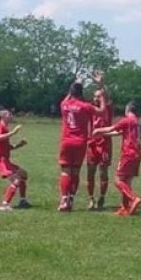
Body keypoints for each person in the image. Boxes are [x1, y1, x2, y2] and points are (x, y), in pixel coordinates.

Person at [58, 72, 107, 212]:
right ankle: (71, 198)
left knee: (65, 171)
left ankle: (64, 200)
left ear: (71, 92)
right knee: (75, 171)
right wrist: (102, 94)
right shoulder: (85, 106)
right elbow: (102, 111)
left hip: (66, 141)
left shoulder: (64, 104)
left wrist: (76, 82)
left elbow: (68, 96)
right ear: (81, 93)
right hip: (80, 142)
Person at [93, 101, 141, 216]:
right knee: (127, 182)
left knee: (118, 180)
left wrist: (97, 131)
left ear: (128, 109)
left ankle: (134, 198)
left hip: (128, 154)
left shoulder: (127, 120)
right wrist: (103, 135)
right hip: (137, 154)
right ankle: (125, 208)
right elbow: (119, 132)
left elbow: (111, 128)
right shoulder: (136, 122)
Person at [0, 110, 30, 211]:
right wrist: (13, 133)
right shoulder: (0, 126)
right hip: (0, 159)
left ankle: (22, 200)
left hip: (5, 159)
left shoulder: (5, 128)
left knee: (23, 174)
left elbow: (8, 147)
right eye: (9, 114)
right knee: (16, 179)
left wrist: (19, 145)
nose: (11, 115)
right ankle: (4, 205)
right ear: (3, 116)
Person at [86, 88, 113, 210]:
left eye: (99, 96)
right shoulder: (90, 109)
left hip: (104, 145)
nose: (96, 98)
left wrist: (101, 84)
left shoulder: (108, 109)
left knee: (103, 173)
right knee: (90, 173)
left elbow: (107, 96)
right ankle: (91, 199)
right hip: (92, 145)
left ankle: (102, 197)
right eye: (95, 96)